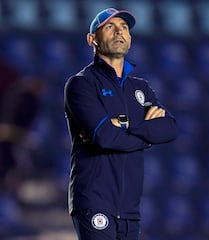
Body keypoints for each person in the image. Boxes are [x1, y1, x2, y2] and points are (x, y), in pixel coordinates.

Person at [64, 8, 178, 240]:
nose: (119, 32)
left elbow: (170, 128)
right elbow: (104, 137)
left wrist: (124, 125)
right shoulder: (81, 84)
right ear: (91, 39)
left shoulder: (140, 88)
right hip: (94, 201)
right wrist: (146, 135)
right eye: (110, 27)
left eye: (124, 28)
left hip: (129, 209)